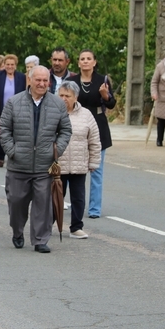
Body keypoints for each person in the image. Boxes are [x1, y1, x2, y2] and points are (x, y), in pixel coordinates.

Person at [0, 66, 71, 253]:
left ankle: (40, 239)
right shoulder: (14, 102)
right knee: (16, 203)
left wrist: (56, 151)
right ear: (29, 80)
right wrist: (12, 151)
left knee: (43, 205)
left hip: (43, 166)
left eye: (45, 80)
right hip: (18, 165)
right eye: (38, 80)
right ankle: (17, 230)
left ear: (49, 82)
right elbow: (4, 129)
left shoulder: (57, 103)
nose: (41, 84)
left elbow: (65, 130)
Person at [70, 50, 115, 219]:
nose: (86, 61)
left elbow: (111, 104)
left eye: (89, 59)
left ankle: (94, 209)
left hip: (98, 124)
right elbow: (63, 100)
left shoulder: (102, 80)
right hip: (76, 125)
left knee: (96, 170)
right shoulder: (72, 81)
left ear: (94, 62)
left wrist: (105, 95)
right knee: (73, 169)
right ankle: (74, 206)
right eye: (83, 59)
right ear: (78, 62)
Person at [56, 81, 101, 239]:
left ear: (76, 97)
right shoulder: (51, 112)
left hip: (78, 165)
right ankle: (48, 224)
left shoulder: (86, 114)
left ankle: (76, 227)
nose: (63, 99)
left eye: (67, 96)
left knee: (78, 198)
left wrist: (94, 162)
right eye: (61, 95)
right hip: (57, 165)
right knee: (55, 198)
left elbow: (94, 140)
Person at [0, 54, 26, 167]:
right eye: (8, 64)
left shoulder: (21, 77)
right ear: (4, 65)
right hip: (1, 108)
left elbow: (25, 92)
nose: (10, 67)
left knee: (15, 132)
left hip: (16, 109)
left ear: (16, 65)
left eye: (12, 64)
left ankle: (13, 155)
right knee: (1, 132)